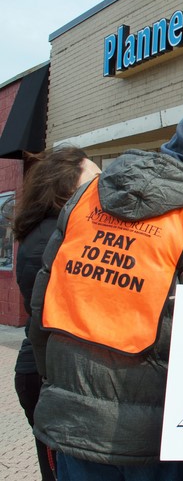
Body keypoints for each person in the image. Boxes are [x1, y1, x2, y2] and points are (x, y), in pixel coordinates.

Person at [29, 112, 183, 480]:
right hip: (153, 438)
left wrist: (57, 384)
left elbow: (43, 301)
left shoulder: (88, 196)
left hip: (72, 417)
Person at [12, 147, 100, 481]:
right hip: (47, 372)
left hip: (46, 368)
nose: (100, 186)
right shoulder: (55, 236)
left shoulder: (53, 229)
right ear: (65, 184)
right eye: (93, 179)